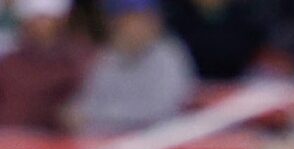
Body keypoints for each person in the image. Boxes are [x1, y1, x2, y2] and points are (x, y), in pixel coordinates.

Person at [69, 0, 194, 134]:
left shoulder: (170, 56)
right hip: (109, 145)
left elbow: (159, 111)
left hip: (159, 145)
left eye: (142, 19)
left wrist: (97, 117)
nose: (135, 27)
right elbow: (85, 105)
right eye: (127, 19)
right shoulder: (106, 58)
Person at [0, 0, 90, 133]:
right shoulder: (9, 62)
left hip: (52, 141)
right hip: (8, 140)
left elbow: (77, 108)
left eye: (47, 19)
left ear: (61, 21)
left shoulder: (77, 60)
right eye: (37, 18)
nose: (41, 25)